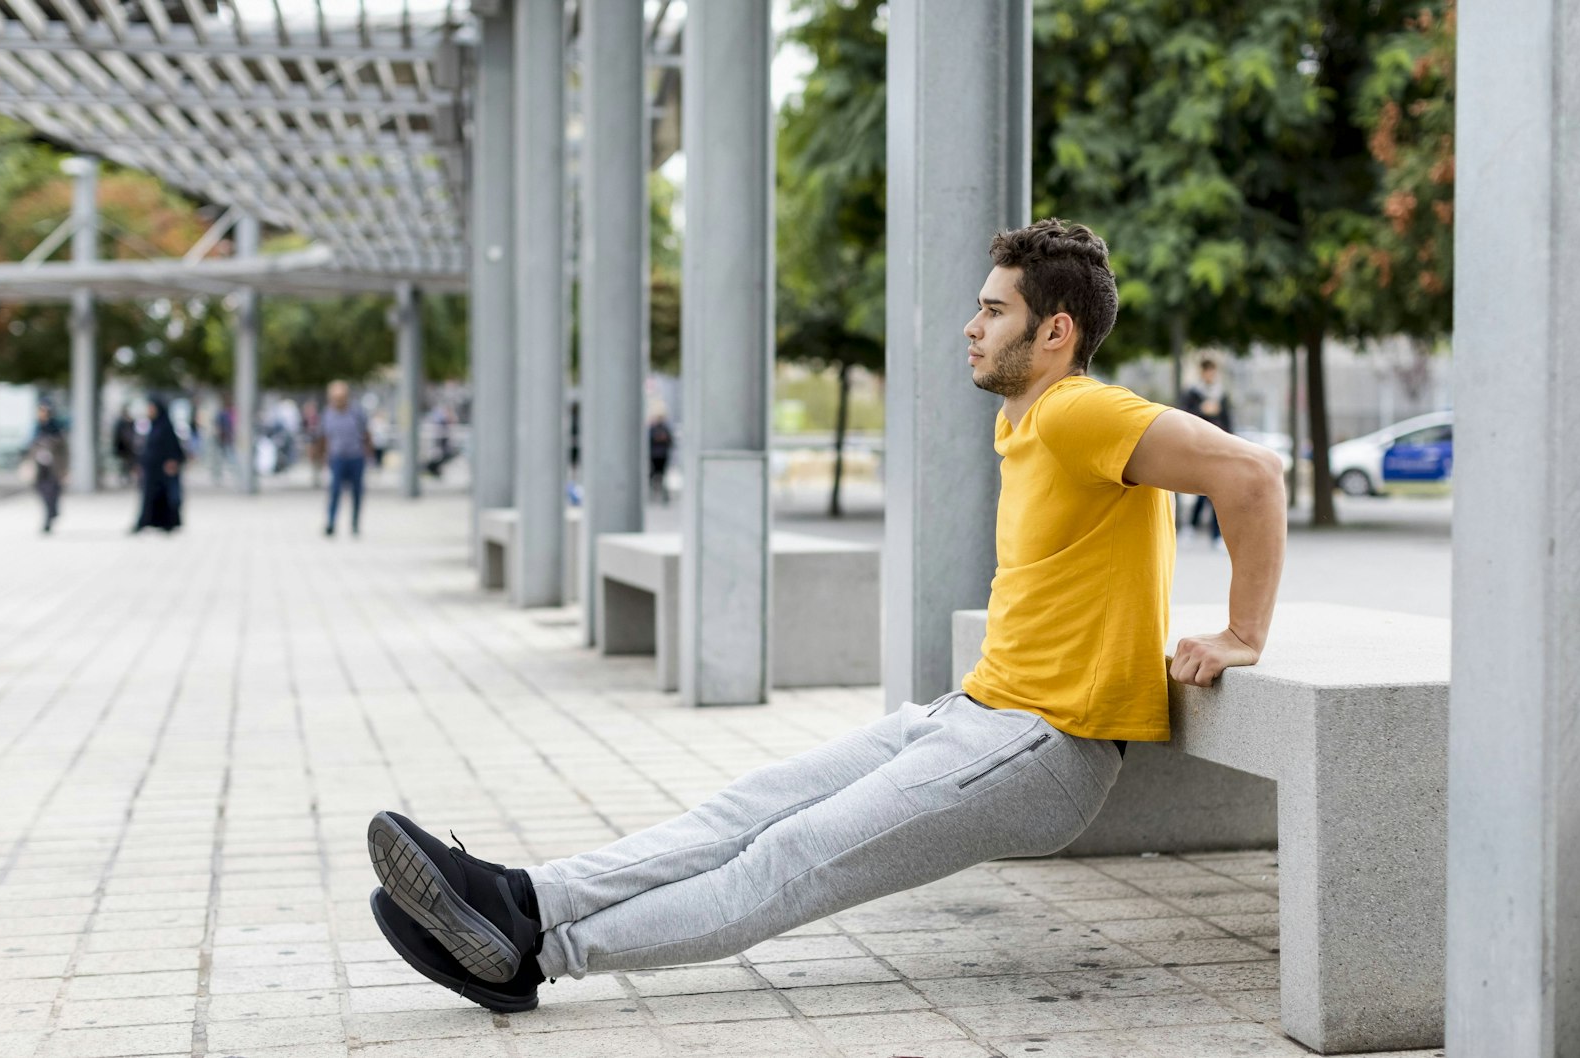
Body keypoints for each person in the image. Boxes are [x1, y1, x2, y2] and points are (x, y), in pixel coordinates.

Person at [360, 219, 1290, 1013]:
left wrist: (1244, 633)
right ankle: (521, 896)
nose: (969, 327)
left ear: (1055, 331)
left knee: (788, 862)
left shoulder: (1084, 409)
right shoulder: (1024, 421)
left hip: (1048, 745)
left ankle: (528, 957)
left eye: (993, 310)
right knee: (743, 811)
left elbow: (1253, 474)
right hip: (974, 713)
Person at [1181, 358, 1235, 543]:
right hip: (1199, 445)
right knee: (1201, 492)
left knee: (1215, 493)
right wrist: (1202, 409)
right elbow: (1184, 416)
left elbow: (1228, 421)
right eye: (1208, 371)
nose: (1211, 375)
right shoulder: (1193, 393)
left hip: (1218, 446)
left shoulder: (1221, 394)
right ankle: (1191, 527)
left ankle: (1215, 534)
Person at [320, 381, 369, 537]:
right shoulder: (327, 414)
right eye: (335, 398)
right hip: (337, 457)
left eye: (341, 397)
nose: (338, 401)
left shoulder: (356, 412)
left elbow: (366, 433)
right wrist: (322, 455)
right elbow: (324, 437)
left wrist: (369, 452)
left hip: (356, 456)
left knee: (357, 492)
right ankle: (331, 522)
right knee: (334, 491)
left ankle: (354, 523)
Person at [131, 396, 184, 534]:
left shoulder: (165, 426)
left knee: (164, 496)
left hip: (163, 470)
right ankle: (147, 522)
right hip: (152, 469)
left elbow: (173, 448)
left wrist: (172, 461)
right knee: (150, 496)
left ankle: (167, 523)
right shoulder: (153, 426)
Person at [26, 403, 69, 534]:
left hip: (54, 466)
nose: (42, 414)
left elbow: (65, 451)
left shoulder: (57, 428)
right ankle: (51, 512)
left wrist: (65, 469)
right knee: (41, 490)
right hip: (39, 466)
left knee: (53, 491)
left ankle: (49, 516)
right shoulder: (36, 428)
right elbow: (30, 447)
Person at [647, 415, 673, 505]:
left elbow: (670, 441)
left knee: (661, 477)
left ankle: (662, 496)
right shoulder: (653, 429)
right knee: (653, 476)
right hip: (655, 456)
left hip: (660, 456)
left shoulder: (663, 429)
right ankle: (653, 495)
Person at [112, 408, 140, 488]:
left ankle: (127, 477)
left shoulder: (130, 423)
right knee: (124, 464)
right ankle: (124, 477)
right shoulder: (121, 423)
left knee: (129, 464)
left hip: (129, 448)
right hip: (123, 448)